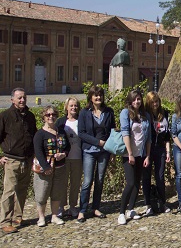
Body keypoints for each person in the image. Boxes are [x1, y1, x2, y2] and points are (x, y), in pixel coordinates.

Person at [0, 88, 37, 234]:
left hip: (26, 160)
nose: (22, 100)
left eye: (24, 97)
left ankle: (18, 217)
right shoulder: (5, 116)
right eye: (19, 98)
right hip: (11, 160)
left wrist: (33, 154)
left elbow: (33, 136)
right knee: (9, 192)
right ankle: (5, 221)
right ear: (12, 100)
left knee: (22, 191)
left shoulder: (30, 116)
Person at [77, 85, 116, 223]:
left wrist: (111, 150)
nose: (98, 97)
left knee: (100, 180)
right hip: (89, 151)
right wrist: (98, 142)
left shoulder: (109, 112)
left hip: (104, 152)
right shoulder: (84, 113)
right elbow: (81, 133)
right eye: (95, 95)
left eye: (100, 95)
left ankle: (96, 207)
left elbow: (112, 132)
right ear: (91, 97)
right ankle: (82, 209)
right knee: (88, 181)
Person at [118, 90, 151, 225]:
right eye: (134, 99)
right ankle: (121, 212)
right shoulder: (125, 113)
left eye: (139, 99)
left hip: (141, 154)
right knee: (130, 183)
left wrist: (147, 156)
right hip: (129, 154)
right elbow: (125, 133)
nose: (137, 101)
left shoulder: (145, 115)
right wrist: (130, 153)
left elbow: (148, 138)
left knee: (137, 182)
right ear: (130, 101)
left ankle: (131, 209)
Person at [33, 106, 69, 227]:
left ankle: (54, 215)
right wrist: (45, 166)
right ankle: (41, 217)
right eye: (48, 115)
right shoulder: (40, 134)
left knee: (57, 193)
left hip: (60, 166)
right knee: (42, 193)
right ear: (43, 117)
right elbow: (38, 151)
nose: (51, 117)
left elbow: (67, 146)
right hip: (45, 169)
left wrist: (64, 154)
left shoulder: (61, 131)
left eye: (53, 114)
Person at [143, 91, 171, 215]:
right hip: (147, 150)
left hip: (160, 149)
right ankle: (148, 204)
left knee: (160, 177)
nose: (155, 104)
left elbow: (167, 137)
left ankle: (162, 203)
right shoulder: (145, 115)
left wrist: (168, 152)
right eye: (152, 102)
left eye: (157, 101)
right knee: (146, 177)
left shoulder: (164, 114)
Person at [55, 97, 83, 218]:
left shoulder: (81, 120)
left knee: (75, 183)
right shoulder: (61, 122)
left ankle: (73, 206)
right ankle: (61, 206)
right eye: (71, 105)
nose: (73, 108)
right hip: (64, 158)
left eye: (76, 105)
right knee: (62, 183)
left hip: (78, 156)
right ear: (66, 107)